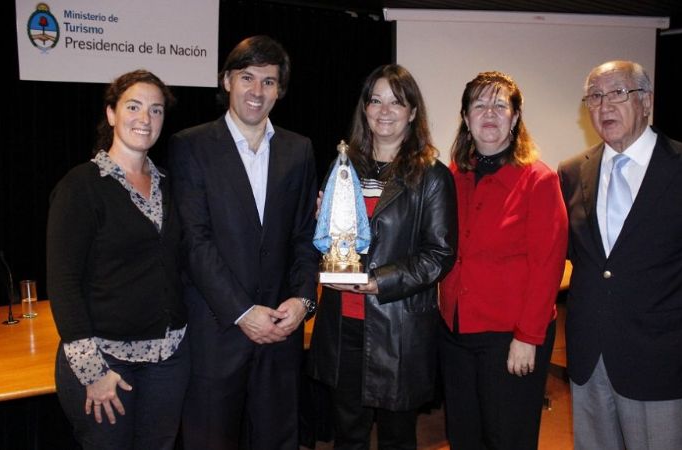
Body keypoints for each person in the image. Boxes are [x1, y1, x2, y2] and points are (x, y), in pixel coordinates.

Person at [558, 60, 682, 450]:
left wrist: (666, 312)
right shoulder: (572, 172)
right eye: (595, 96)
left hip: (661, 355)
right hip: (590, 354)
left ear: (646, 101)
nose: (605, 106)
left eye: (618, 93)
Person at [168, 35, 319, 450]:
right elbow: (194, 243)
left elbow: (305, 237)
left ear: (280, 90)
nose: (257, 91)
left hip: (280, 331)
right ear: (226, 81)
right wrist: (242, 311)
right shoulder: (190, 146)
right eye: (247, 77)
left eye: (269, 82)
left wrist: (303, 300)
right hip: (217, 333)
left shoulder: (299, 150)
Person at [307, 64, 458, 450]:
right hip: (343, 326)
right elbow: (326, 244)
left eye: (397, 101)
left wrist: (380, 281)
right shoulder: (343, 167)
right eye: (376, 100)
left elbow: (439, 254)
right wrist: (321, 223)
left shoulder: (433, 177)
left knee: (396, 438)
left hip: (397, 332)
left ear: (412, 112)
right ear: (365, 108)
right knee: (349, 436)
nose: (385, 110)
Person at [47, 69, 188, 450]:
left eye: (156, 110)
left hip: (169, 360)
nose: (145, 119)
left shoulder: (171, 185)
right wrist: (93, 373)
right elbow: (62, 286)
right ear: (111, 114)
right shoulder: (81, 186)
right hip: (107, 364)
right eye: (134, 106)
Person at [438, 71, 568, 449]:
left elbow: (548, 267)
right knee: (464, 437)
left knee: (508, 438)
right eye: (479, 104)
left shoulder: (538, 181)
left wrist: (527, 338)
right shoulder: (453, 176)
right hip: (455, 334)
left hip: (510, 338)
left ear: (515, 117)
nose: (489, 113)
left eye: (500, 105)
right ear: (465, 117)